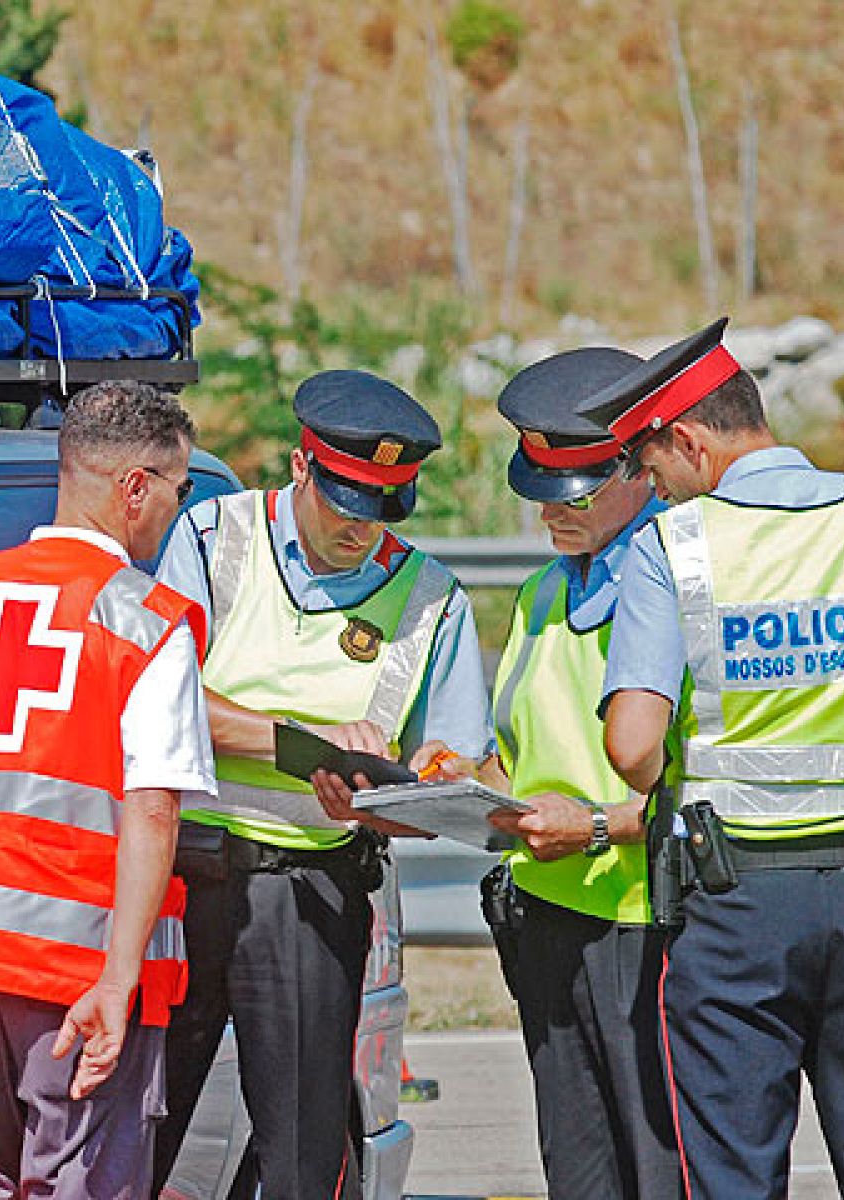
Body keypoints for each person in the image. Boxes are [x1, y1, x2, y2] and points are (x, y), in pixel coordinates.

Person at [0, 380, 215, 1199]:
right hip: (78, 976)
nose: (179, 509)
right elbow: (152, 809)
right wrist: (119, 983)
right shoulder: (146, 620)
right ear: (136, 488)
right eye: (180, 488)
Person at [150, 370, 495, 1200]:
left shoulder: (432, 598)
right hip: (178, 876)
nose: (361, 528)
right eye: (346, 503)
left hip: (311, 891)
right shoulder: (212, 536)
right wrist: (305, 748)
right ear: (301, 466)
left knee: (305, 1160)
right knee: (134, 1142)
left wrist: (399, 794)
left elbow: (453, 778)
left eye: (383, 508)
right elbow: (161, 691)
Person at [580, 317, 844, 1198]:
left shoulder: (674, 546)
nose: (652, 489)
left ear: (690, 440)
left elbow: (633, 745)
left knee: (732, 1172)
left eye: (648, 465)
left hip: (737, 900)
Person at [484, 348, 680, 1199]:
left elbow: (703, 782)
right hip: (548, 919)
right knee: (578, 1171)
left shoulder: (680, 585)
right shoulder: (540, 594)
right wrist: (442, 783)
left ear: (637, 469)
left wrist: (596, 826)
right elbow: (516, 754)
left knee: (661, 1170)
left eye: (576, 494)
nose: (550, 514)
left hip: (649, 924)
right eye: (543, 494)